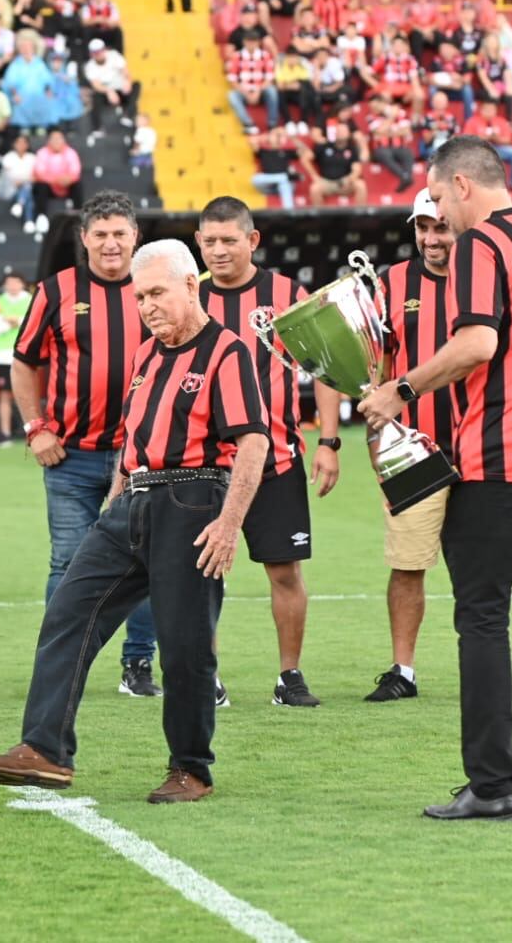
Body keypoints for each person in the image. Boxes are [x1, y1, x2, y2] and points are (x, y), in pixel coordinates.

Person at [359, 135, 512, 821]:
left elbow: (477, 342)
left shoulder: (481, 246)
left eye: (439, 199)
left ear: (462, 185)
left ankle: (492, 787)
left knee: (480, 617)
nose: (440, 216)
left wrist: (398, 391)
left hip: (500, 458)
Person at [0, 240, 267, 802]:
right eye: (140, 297)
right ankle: (46, 750)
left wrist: (229, 523)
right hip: (132, 501)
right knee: (68, 611)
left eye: (157, 293)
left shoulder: (228, 352)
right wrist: (116, 496)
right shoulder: (148, 354)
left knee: (185, 646)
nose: (148, 306)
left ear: (190, 286)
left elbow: (253, 440)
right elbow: (134, 436)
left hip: (195, 500)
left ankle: (191, 769)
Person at [11, 190, 160, 697]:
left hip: (142, 458)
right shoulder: (55, 291)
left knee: (144, 562)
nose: (112, 243)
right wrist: (35, 427)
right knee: (69, 561)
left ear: (136, 236)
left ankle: (138, 666)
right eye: (101, 234)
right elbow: (23, 362)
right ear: (84, 239)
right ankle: (61, 662)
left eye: (121, 233)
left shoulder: (155, 289)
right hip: (70, 455)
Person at [195, 196, 342, 706]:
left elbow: (323, 364)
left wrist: (328, 441)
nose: (218, 251)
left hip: (278, 459)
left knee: (284, 570)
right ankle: (205, 677)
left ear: (251, 241)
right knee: (202, 577)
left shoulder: (285, 294)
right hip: (205, 467)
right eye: (209, 241)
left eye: (228, 241)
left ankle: (290, 677)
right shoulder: (189, 297)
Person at [362, 189, 457, 702]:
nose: (431, 237)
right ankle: (404, 670)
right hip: (414, 449)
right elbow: (373, 369)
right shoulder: (391, 283)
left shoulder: (487, 279)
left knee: (487, 569)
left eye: (440, 226)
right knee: (407, 563)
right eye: (422, 227)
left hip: (482, 444)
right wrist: (376, 438)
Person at [0, 273, 31, 445]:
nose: (12, 285)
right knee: (4, 395)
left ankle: (31, 432)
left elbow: (33, 322)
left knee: (26, 395)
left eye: (16, 282)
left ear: (22, 284)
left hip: (24, 354)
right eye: (9, 283)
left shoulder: (30, 299)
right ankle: (4, 434)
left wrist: (14, 320)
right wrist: (12, 323)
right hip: (4, 355)